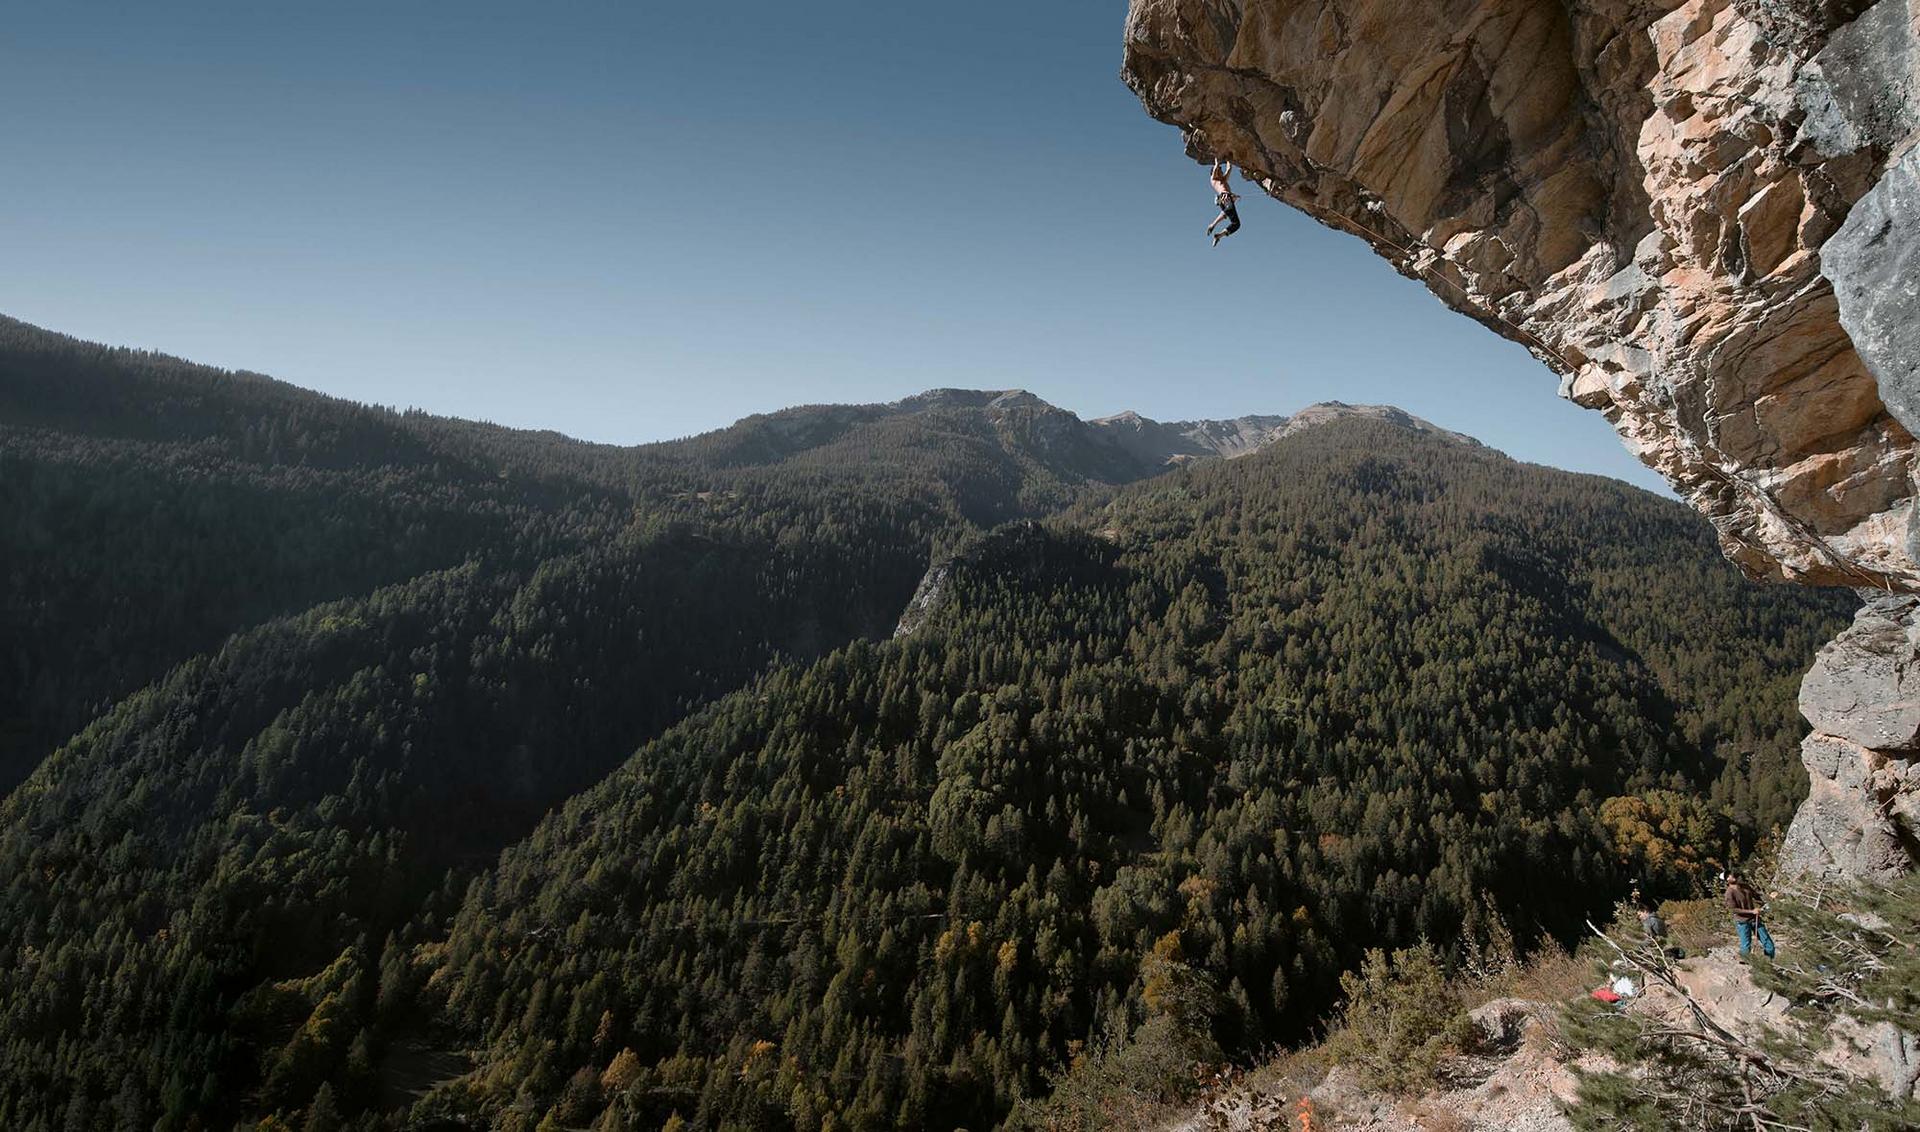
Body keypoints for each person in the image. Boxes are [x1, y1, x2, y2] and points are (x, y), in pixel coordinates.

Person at [1724, 873, 1775, 959]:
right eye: (1730, 875)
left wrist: (1769, 898)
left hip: (1754, 919)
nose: (1733, 876)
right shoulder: (1729, 893)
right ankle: (1745, 965)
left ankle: (1769, 964)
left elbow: (1758, 897)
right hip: (1742, 922)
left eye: (1733, 874)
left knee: (1768, 943)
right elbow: (1733, 910)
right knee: (1746, 946)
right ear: (1727, 880)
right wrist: (1752, 911)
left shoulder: (1746, 887)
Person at [1207, 158, 1241, 246]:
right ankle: (1213, 224)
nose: (1221, 172)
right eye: (1220, 171)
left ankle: (1219, 236)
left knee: (1236, 224)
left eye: (1221, 171)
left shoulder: (1224, 179)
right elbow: (1216, 167)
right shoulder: (1214, 179)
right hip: (1224, 197)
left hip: (1227, 198)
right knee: (1229, 208)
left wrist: (1228, 158)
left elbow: (1229, 168)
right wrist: (1216, 159)